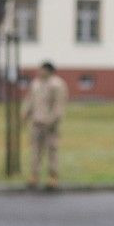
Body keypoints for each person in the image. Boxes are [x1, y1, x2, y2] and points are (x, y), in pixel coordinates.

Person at [24, 61, 68, 190]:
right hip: (36, 122)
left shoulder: (57, 84)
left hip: (50, 124)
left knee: (52, 151)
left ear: (49, 70)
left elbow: (59, 105)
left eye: (42, 69)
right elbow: (30, 100)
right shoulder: (36, 84)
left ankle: (52, 177)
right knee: (35, 151)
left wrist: (53, 120)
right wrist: (25, 113)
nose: (39, 72)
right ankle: (34, 175)